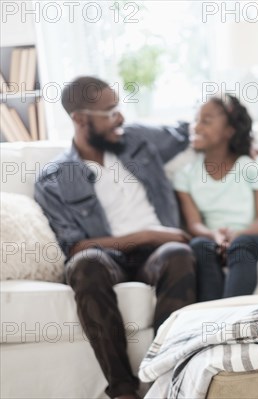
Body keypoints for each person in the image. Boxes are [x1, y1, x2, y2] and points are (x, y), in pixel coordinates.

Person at [34, 76, 197, 399]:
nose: (120, 117)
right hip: (110, 257)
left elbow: (190, 132)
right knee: (84, 264)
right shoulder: (55, 178)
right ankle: (123, 390)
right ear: (79, 119)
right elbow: (76, 246)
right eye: (110, 112)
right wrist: (149, 234)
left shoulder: (137, 140)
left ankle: (162, 381)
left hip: (161, 254)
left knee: (178, 254)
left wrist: (245, 144)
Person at [174, 93, 258, 302]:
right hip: (217, 239)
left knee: (242, 245)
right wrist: (214, 236)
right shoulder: (185, 175)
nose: (196, 126)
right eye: (195, 120)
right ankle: (209, 319)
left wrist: (235, 236)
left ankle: (230, 321)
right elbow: (194, 224)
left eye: (206, 121)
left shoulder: (253, 167)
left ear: (229, 131)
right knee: (199, 246)